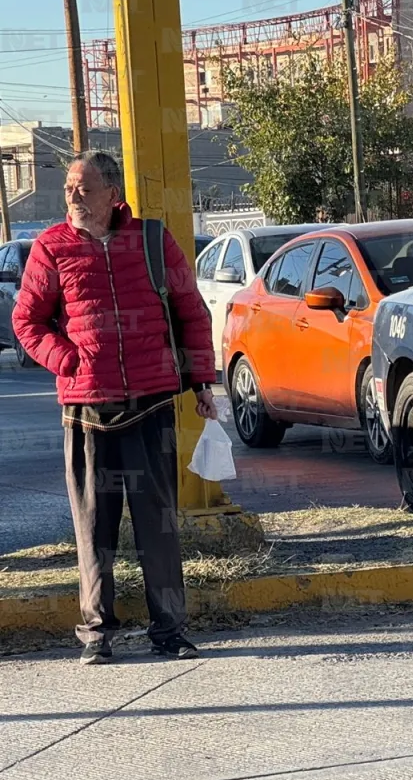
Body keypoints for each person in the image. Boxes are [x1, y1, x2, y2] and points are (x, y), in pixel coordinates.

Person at [12, 150, 218, 665]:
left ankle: (170, 632)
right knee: (93, 525)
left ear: (112, 191)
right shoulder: (50, 247)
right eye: (69, 188)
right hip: (85, 409)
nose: (73, 195)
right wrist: (67, 361)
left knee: (158, 525)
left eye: (84, 186)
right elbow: (27, 322)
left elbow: (190, 312)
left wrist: (201, 382)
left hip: (150, 406)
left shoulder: (152, 240)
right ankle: (97, 634)